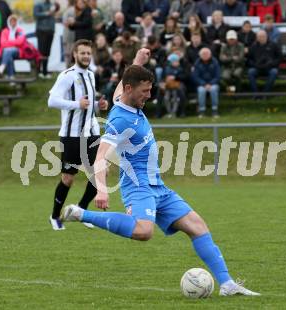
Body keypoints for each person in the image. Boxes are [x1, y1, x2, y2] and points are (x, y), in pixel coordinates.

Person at [60, 48, 260, 297]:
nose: (149, 95)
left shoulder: (126, 98)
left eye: (150, 90)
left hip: (157, 185)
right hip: (138, 186)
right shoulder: (119, 120)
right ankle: (82, 214)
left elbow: (122, 86)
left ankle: (227, 285)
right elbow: (100, 156)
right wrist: (101, 188)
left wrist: (137, 62)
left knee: (198, 226)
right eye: (144, 91)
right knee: (144, 231)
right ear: (131, 89)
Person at [47, 39, 109, 230]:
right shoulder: (67, 76)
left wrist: (99, 105)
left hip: (91, 134)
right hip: (71, 135)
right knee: (68, 179)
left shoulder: (91, 75)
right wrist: (76, 104)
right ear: (75, 54)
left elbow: (88, 104)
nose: (86, 56)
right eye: (82, 53)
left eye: (88, 53)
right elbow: (52, 101)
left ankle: (81, 211)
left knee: (100, 172)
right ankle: (55, 216)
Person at [247, 29, 281, 95]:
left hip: (270, 68)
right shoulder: (253, 46)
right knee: (250, 72)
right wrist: (255, 65)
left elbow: (279, 58)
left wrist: (272, 64)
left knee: (274, 72)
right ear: (256, 38)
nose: (261, 38)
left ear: (266, 36)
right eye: (259, 37)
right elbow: (249, 60)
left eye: (263, 36)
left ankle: (265, 93)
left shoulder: (274, 45)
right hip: (257, 68)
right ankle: (256, 94)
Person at [192, 47, 221, 118]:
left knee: (213, 89)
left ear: (210, 54)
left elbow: (217, 76)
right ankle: (202, 111)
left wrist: (210, 84)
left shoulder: (215, 62)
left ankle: (215, 110)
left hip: (213, 84)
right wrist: (204, 84)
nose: (205, 55)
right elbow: (195, 77)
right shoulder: (197, 63)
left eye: (207, 54)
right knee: (201, 90)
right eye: (203, 54)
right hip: (202, 84)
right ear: (200, 55)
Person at [33, 0, 57, 79]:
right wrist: (46, 13)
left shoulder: (52, 4)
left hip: (50, 30)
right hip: (42, 30)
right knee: (41, 52)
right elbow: (35, 14)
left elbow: (55, 12)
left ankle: (45, 72)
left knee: (47, 52)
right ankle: (38, 71)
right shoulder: (38, 3)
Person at [0, 15, 25, 79]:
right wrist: (14, 42)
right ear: (8, 22)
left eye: (14, 21)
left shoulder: (20, 31)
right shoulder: (4, 31)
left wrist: (9, 42)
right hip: (5, 51)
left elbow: (20, 42)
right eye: (11, 21)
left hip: (17, 51)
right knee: (9, 55)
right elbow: (2, 43)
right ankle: (11, 76)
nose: (13, 23)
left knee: (7, 50)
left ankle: (2, 65)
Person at [161, 53, 187, 118]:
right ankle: (169, 112)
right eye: (175, 61)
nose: (177, 62)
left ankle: (174, 113)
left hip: (176, 86)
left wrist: (175, 77)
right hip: (167, 86)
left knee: (175, 98)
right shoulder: (166, 68)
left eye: (177, 61)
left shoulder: (181, 68)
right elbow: (163, 77)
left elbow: (184, 77)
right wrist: (163, 82)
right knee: (166, 98)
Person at [62, 0, 75, 68]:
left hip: (68, 35)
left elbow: (65, 23)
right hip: (73, 35)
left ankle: (68, 70)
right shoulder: (77, 10)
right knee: (71, 54)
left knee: (68, 54)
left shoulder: (68, 10)